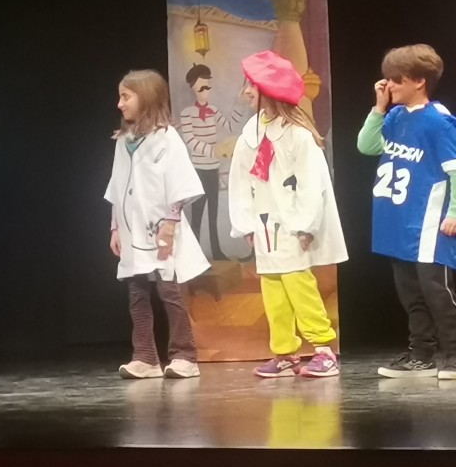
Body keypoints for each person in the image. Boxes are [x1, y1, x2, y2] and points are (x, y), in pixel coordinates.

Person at [356, 44, 456, 380]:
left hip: (429, 221)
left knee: (437, 290)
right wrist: (378, 109)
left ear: (419, 81)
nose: (389, 85)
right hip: (398, 220)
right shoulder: (394, 117)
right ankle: (421, 355)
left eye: (397, 79)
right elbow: (366, 146)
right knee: (410, 292)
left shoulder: (440, 121)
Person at [228, 50, 347, 378]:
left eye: (252, 85)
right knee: (273, 288)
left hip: (292, 223)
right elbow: (241, 180)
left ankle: (323, 349)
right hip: (264, 223)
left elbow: (311, 183)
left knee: (298, 283)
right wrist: (246, 223)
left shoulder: (297, 134)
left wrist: (305, 224)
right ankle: (284, 353)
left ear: (268, 89)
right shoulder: (250, 132)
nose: (246, 92)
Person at [105, 70, 210, 379]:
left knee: (169, 290)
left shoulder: (167, 138)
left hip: (162, 228)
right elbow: (117, 186)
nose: (120, 103)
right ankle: (146, 357)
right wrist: (115, 227)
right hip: (132, 229)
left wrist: (171, 222)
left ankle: (185, 355)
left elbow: (180, 182)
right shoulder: (124, 141)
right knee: (137, 292)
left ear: (146, 97)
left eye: (126, 97)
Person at [179, 63, 249, 260]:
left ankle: (216, 251)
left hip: (213, 169)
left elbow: (230, 126)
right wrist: (213, 150)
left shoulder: (213, 109)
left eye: (208, 87)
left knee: (213, 212)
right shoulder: (187, 113)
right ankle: (193, 256)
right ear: (193, 88)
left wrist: (239, 103)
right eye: (201, 88)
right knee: (197, 212)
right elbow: (190, 140)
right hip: (198, 170)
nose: (205, 92)